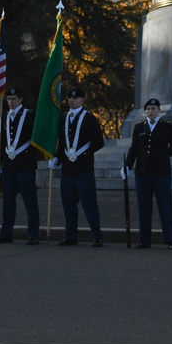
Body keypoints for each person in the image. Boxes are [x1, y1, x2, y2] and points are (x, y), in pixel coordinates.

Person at [47, 88, 106, 247]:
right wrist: (57, 158)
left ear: (83, 99)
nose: (71, 100)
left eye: (75, 98)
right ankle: (71, 236)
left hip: (84, 169)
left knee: (89, 204)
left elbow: (98, 142)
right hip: (68, 170)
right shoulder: (64, 118)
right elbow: (62, 144)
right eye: (69, 98)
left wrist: (82, 154)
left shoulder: (89, 118)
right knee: (68, 205)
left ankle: (96, 235)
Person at [122, 98, 172, 249]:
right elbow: (134, 149)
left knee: (165, 206)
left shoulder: (167, 127)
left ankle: (170, 239)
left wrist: (162, 156)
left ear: (159, 110)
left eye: (153, 108)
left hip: (161, 173)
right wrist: (127, 166)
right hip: (142, 173)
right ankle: (144, 240)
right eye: (148, 109)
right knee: (144, 207)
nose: (150, 111)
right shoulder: (139, 127)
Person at [0, 87, 41, 245]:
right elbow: (2, 142)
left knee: (30, 201)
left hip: (25, 165)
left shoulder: (29, 115)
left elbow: (37, 138)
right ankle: (6, 234)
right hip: (8, 166)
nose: (10, 102)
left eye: (14, 99)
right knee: (7, 203)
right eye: (8, 99)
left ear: (21, 100)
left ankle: (33, 233)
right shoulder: (4, 117)